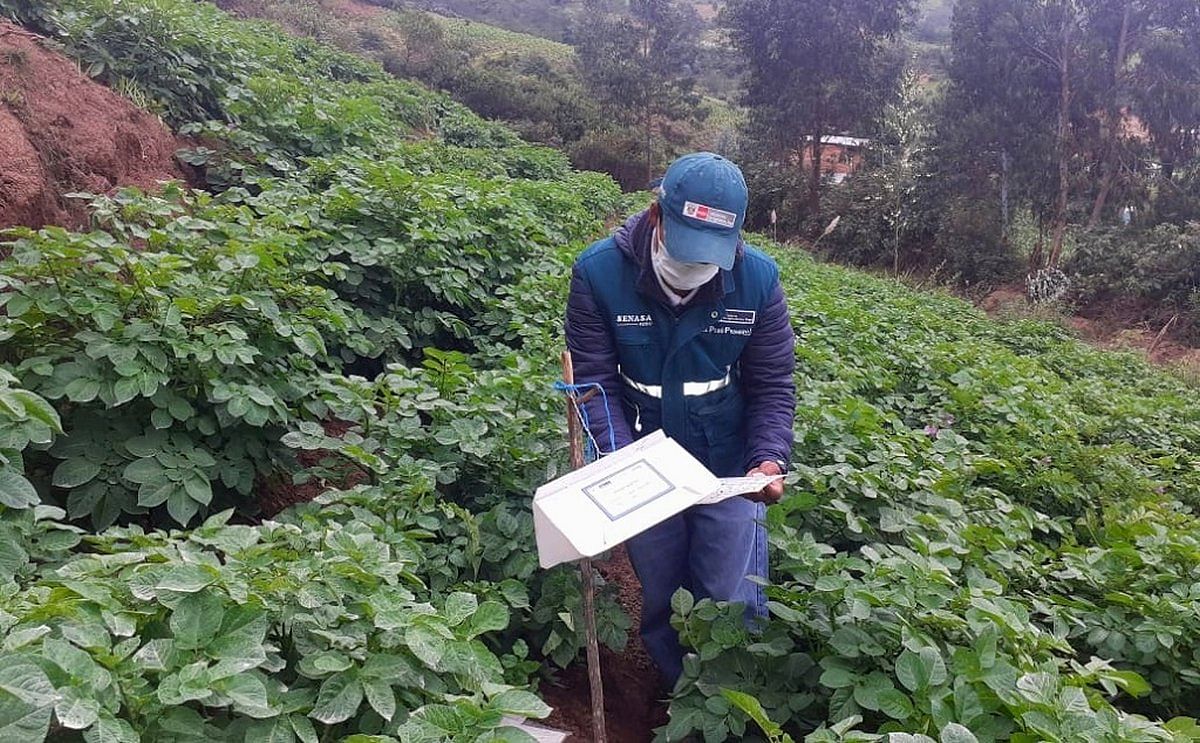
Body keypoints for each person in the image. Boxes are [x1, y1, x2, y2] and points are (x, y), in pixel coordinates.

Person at [564, 152, 797, 687]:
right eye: (687, 247)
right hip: (643, 454)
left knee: (728, 589)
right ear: (656, 217)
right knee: (662, 584)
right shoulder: (599, 274)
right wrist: (621, 463)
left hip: (728, 457)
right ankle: (676, 692)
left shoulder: (757, 280)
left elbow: (772, 385)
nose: (695, 268)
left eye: (710, 254)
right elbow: (593, 381)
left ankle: (727, 698)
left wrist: (767, 458)